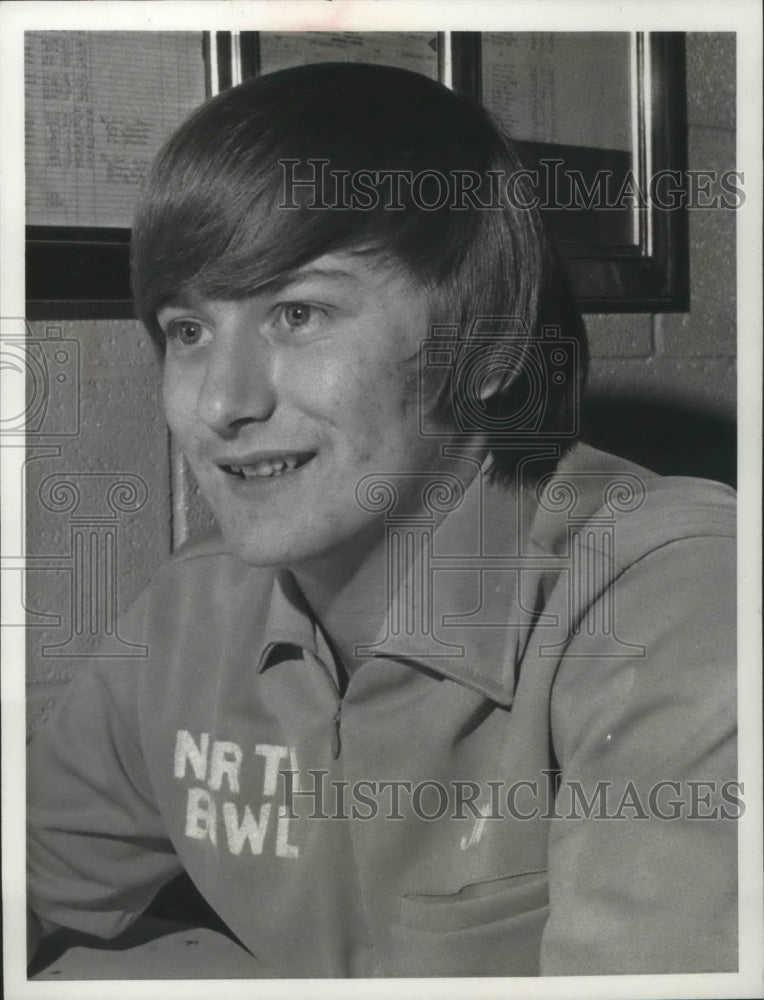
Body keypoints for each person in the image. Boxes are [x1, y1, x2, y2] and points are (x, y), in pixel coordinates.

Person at [27, 62, 737, 978]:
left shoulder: (676, 597)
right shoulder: (192, 609)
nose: (222, 404)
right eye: (189, 331)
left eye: (297, 312)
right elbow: (37, 876)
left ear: (486, 350)